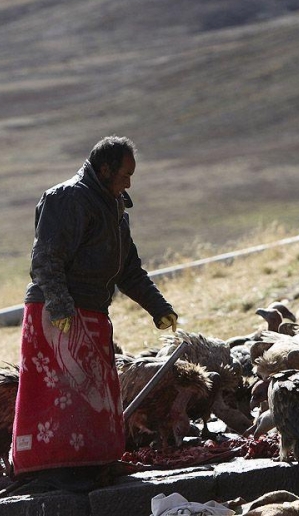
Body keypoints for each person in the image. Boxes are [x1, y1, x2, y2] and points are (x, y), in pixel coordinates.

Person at [11, 135, 177, 491]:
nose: (130, 183)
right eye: (125, 174)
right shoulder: (67, 199)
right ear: (105, 169)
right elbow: (46, 260)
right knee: (57, 394)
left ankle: (92, 465)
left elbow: (129, 271)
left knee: (94, 394)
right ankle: (51, 471)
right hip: (56, 313)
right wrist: (59, 307)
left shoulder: (115, 209)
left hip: (92, 312)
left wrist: (158, 308)